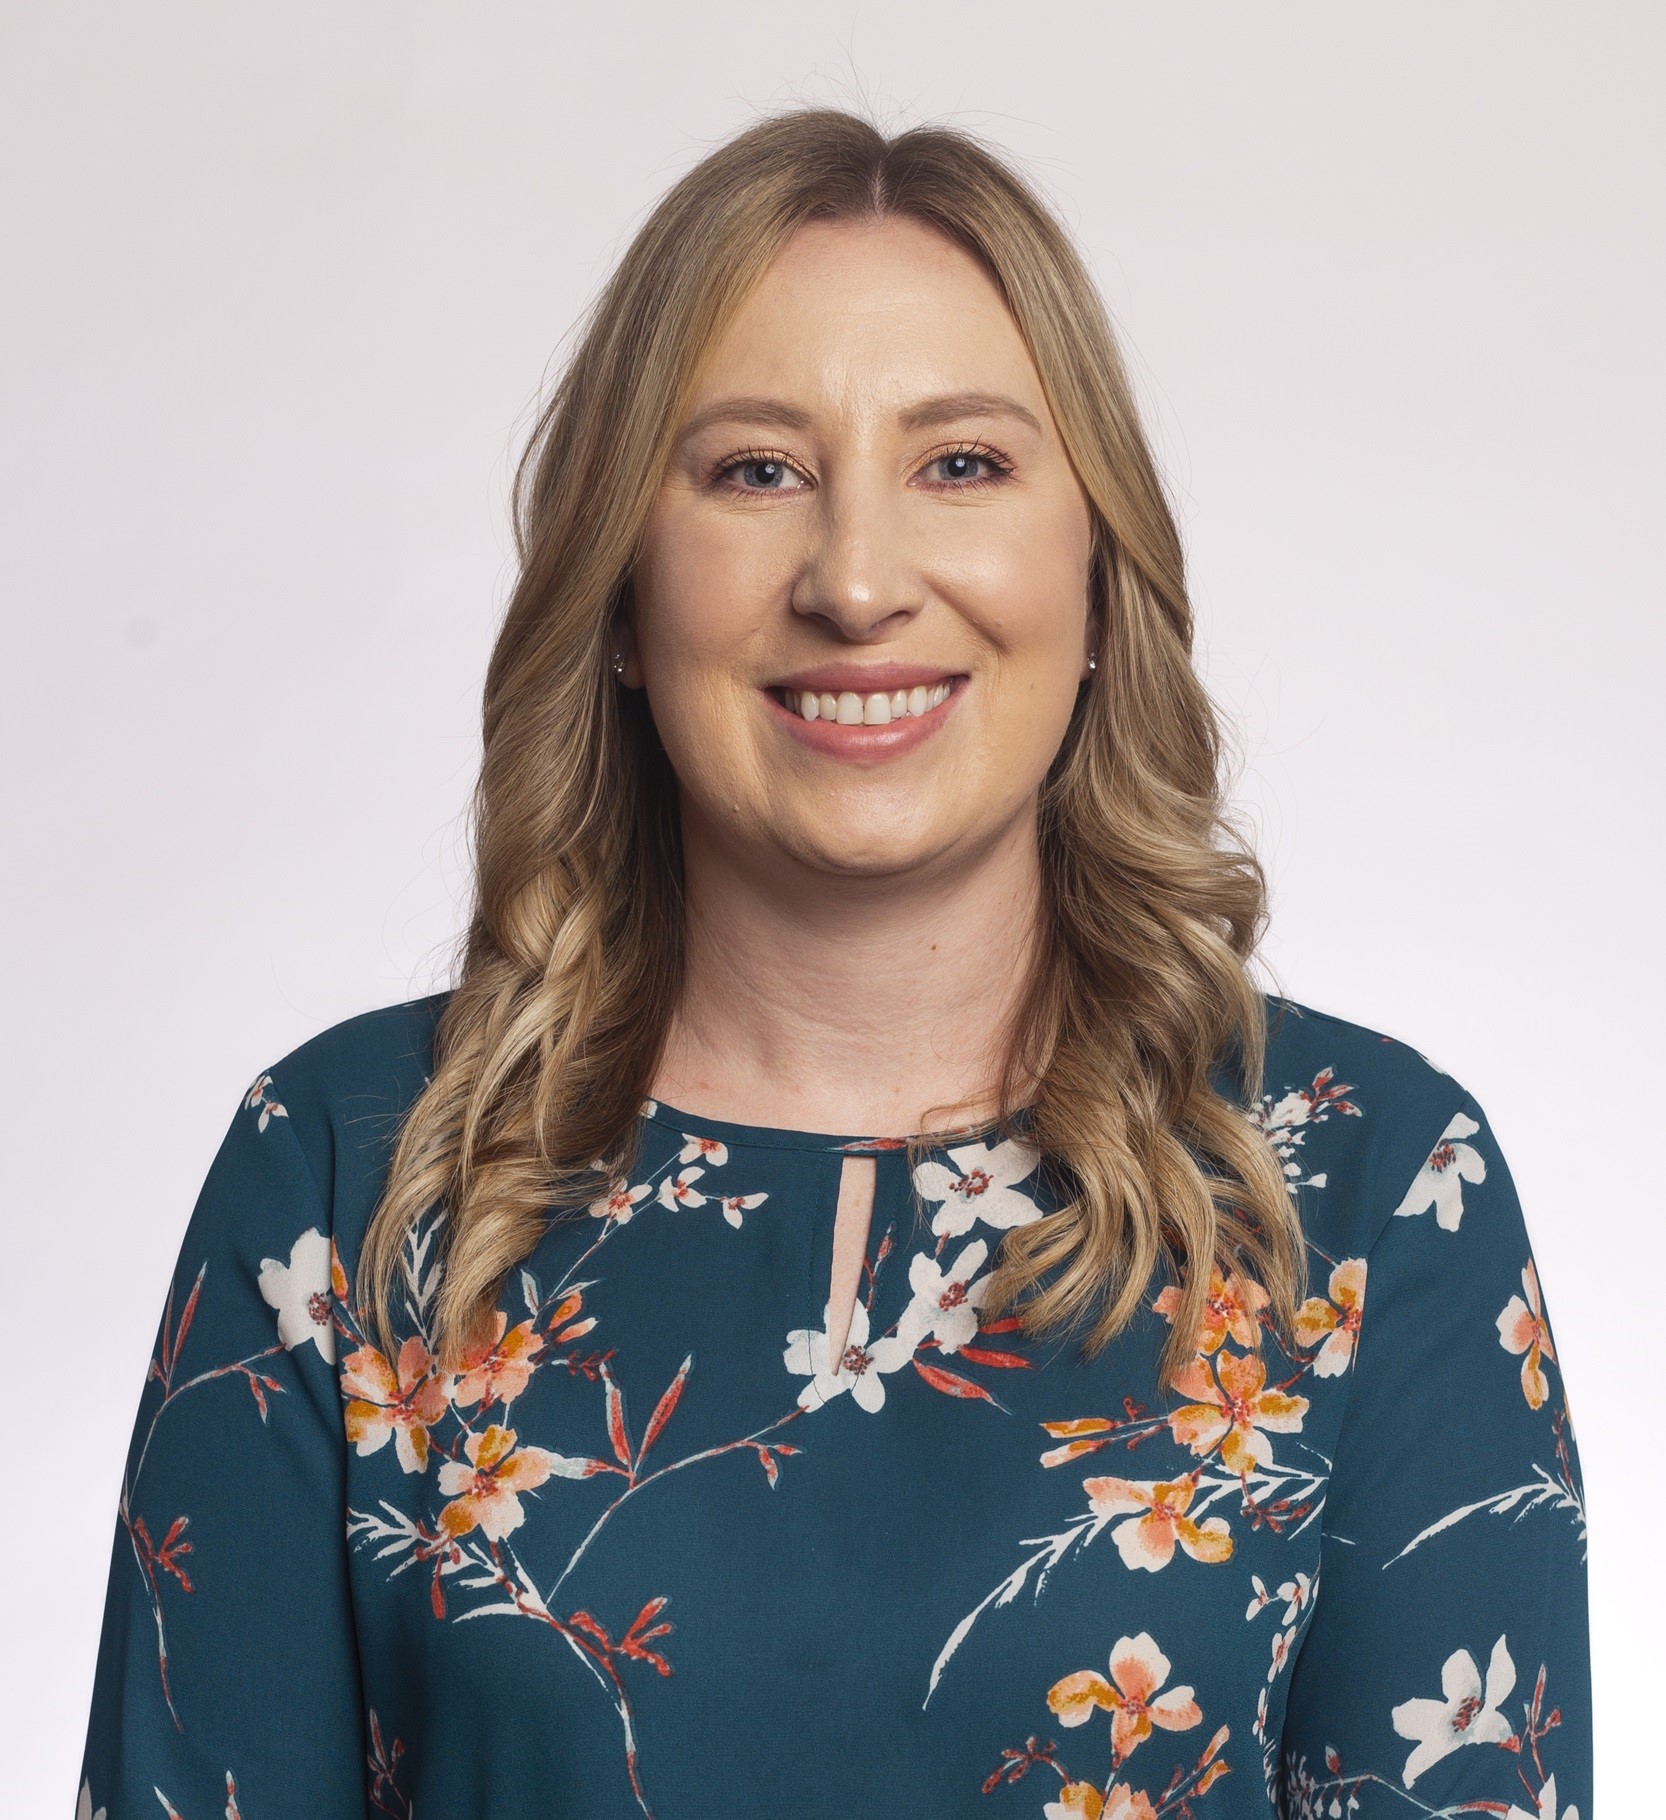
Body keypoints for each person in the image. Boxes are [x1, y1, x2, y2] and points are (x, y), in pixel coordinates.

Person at [76, 107, 1590, 1820]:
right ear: (622, 594)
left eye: (962, 465)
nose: (857, 583)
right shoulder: (351, 1169)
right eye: (754, 471)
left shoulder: (1367, 1188)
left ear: (1098, 577)